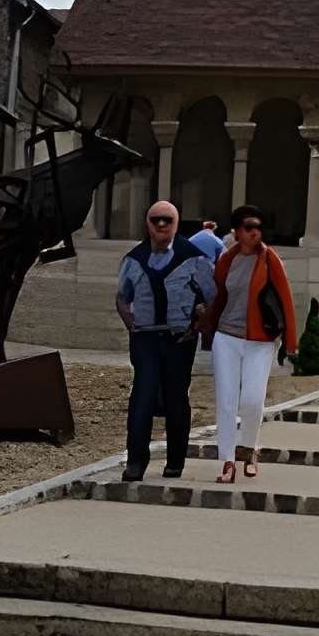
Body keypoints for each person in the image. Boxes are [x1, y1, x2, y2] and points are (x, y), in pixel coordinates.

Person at [115, 201, 215, 482]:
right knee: (142, 398)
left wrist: (198, 326)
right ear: (147, 223)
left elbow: (213, 296)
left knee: (176, 398)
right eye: (156, 219)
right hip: (145, 338)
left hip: (179, 339)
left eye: (167, 220)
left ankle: (175, 462)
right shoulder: (133, 259)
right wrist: (131, 325)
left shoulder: (194, 258)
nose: (161, 224)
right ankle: (136, 463)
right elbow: (122, 297)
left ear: (176, 223)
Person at [199, 204, 295, 482]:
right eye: (249, 227)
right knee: (226, 401)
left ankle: (249, 450)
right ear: (237, 232)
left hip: (260, 339)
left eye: (258, 227)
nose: (255, 232)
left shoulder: (269, 259)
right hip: (226, 337)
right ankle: (227, 460)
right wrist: (206, 323)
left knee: (252, 400)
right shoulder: (227, 260)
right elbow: (220, 296)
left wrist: (291, 341)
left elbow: (285, 298)